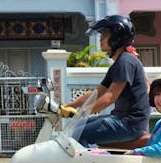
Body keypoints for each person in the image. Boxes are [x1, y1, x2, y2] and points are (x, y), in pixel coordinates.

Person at [60, 15, 151, 147]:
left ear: (117, 38)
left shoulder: (126, 62)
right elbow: (96, 93)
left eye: (105, 36)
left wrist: (82, 112)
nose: (100, 40)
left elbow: (109, 97)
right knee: (77, 127)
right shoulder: (118, 63)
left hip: (130, 124)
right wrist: (68, 106)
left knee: (78, 134)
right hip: (121, 120)